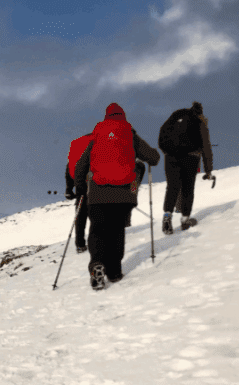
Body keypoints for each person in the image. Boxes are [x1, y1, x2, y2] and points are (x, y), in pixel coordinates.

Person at [74, 103, 160, 290]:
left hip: (98, 194)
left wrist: (80, 189)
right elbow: (153, 158)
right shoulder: (130, 134)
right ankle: (114, 271)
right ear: (123, 116)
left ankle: (97, 263)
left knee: (97, 231)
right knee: (116, 232)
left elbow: (81, 166)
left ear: (106, 117)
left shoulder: (97, 136)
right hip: (123, 195)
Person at [157, 101, 213, 235]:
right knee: (188, 188)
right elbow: (206, 146)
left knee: (172, 187)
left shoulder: (176, 116)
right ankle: (185, 220)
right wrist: (208, 170)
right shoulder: (200, 121)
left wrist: (167, 152)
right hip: (191, 157)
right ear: (200, 111)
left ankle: (167, 216)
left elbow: (162, 134)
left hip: (171, 157)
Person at [65, 132, 94, 253]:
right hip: (94, 183)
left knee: (80, 215)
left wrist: (69, 189)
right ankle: (98, 242)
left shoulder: (77, 145)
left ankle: (80, 244)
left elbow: (69, 167)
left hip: (79, 184)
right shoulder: (97, 142)